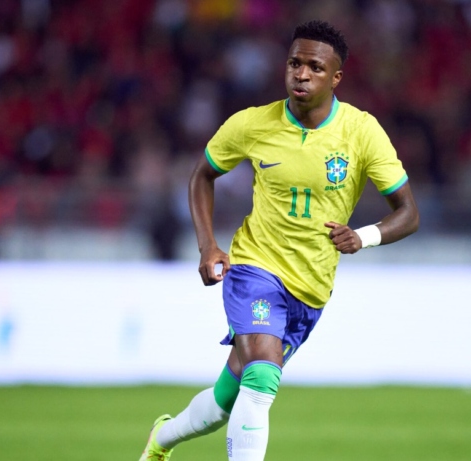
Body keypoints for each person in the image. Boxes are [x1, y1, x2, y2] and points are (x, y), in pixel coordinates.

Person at [139, 19, 419, 461]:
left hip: (310, 287)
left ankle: (161, 439)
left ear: (335, 77)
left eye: (314, 67)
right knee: (263, 377)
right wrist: (208, 245)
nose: (301, 74)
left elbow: (408, 213)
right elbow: (202, 175)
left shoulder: (362, 132)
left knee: (226, 400)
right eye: (294, 63)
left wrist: (363, 237)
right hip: (255, 267)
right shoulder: (253, 123)